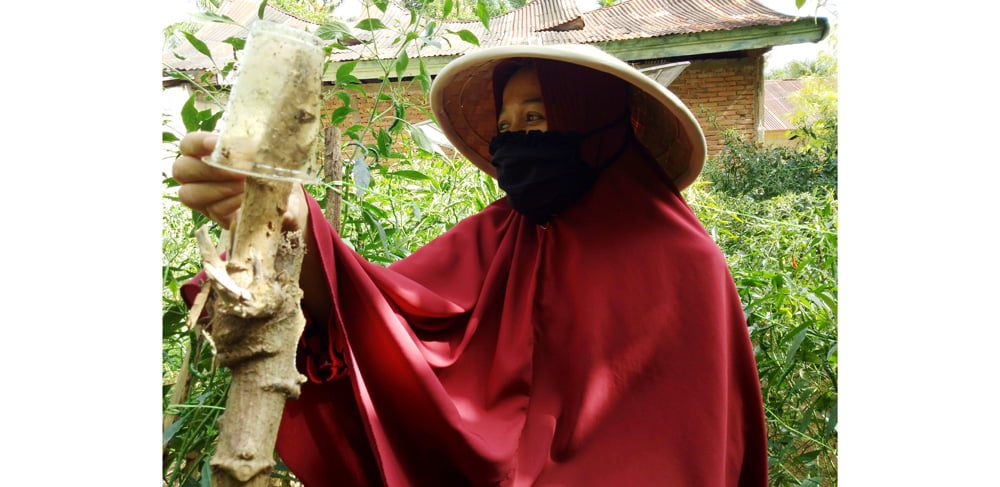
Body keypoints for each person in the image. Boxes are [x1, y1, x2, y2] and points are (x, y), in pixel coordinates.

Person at [175, 44, 767, 486]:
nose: (515, 141)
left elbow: (694, 450)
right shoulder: (502, 232)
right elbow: (378, 313)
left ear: (591, 118)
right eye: (506, 127)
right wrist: (289, 216)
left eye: (534, 118)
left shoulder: (684, 265)